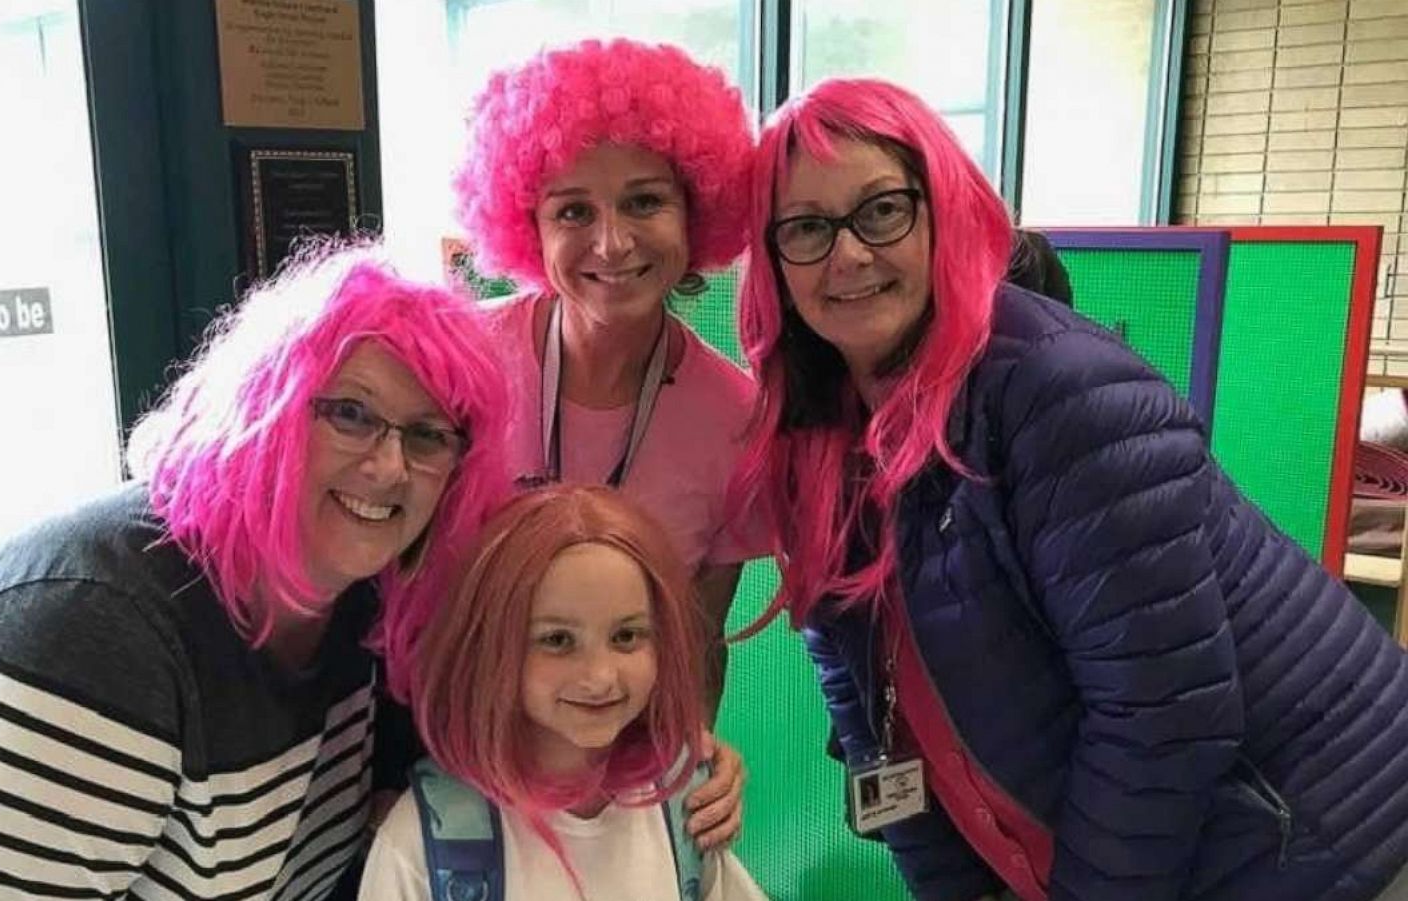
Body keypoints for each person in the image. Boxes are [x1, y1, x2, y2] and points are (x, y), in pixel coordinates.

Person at [731, 78, 1408, 901]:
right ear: (770, 258)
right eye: (806, 227)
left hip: (1320, 844)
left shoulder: (1059, 394)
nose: (847, 254)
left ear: (941, 208)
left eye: (881, 210)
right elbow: (869, 710)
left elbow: (1163, 715)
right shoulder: (816, 430)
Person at [0, 244, 513, 901]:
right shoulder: (96, 627)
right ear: (265, 409)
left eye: (427, 434)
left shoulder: (364, 598)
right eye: (351, 414)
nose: (390, 466)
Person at [451, 38, 761, 849]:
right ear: (529, 226)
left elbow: (696, 642)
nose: (613, 243)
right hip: (449, 769)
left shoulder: (736, 416)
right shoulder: (456, 367)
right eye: (574, 210)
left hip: (612, 801)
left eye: (645, 202)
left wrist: (696, 760)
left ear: (697, 212)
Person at [358, 485, 767, 901]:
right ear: (491, 646)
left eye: (626, 636)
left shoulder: (685, 804)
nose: (600, 677)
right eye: (557, 640)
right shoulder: (427, 842)